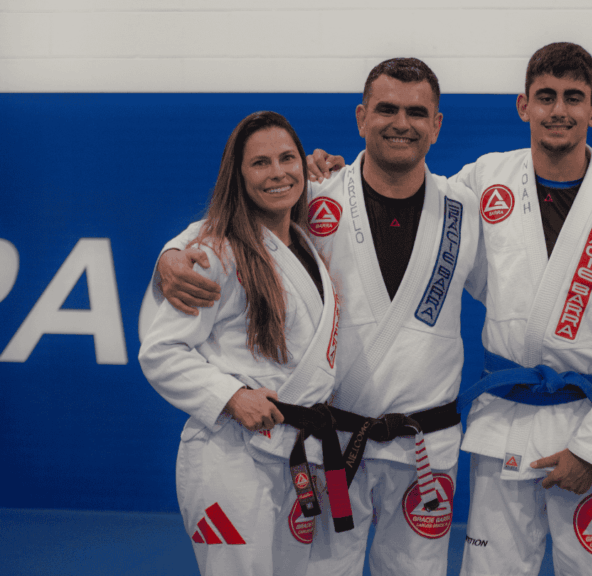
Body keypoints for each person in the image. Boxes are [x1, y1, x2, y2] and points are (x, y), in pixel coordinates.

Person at [311, 42, 592, 576]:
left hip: (587, 418)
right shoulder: (484, 183)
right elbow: (404, 192)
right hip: (501, 418)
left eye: (574, 98)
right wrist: (328, 177)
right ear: (523, 105)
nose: (559, 110)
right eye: (545, 96)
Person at [153, 58, 480, 576]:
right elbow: (233, 226)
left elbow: (522, 282)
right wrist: (172, 254)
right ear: (360, 117)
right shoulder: (316, 197)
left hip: (425, 443)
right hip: (335, 442)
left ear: (437, 124)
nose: (402, 122)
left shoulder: (465, 208)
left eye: (417, 112)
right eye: (386, 108)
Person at [139, 111, 339, 576]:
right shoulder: (214, 253)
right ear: (238, 175)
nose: (277, 173)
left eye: (288, 158)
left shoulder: (307, 243)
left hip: (295, 453)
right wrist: (230, 396)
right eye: (260, 163)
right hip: (232, 456)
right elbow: (161, 352)